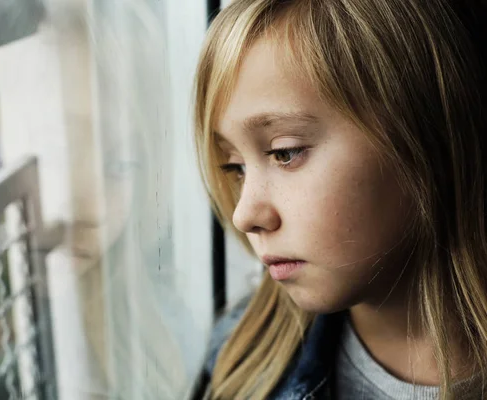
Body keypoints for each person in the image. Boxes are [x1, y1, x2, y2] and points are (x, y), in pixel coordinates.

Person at [194, 0, 487, 399]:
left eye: (285, 152)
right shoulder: (239, 361)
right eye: (235, 167)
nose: (245, 215)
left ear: (426, 135)